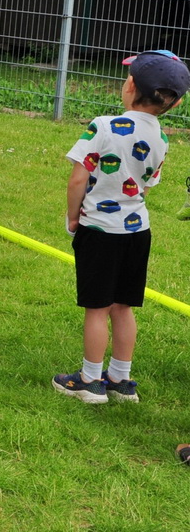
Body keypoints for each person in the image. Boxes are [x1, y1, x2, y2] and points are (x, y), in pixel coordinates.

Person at [52, 50, 189, 404]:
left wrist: (72, 216)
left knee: (97, 309)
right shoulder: (161, 137)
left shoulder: (102, 125)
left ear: (130, 85)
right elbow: (147, 183)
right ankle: (121, 380)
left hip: (99, 231)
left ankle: (89, 380)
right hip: (137, 232)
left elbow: (77, 178)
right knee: (123, 307)